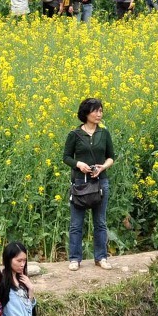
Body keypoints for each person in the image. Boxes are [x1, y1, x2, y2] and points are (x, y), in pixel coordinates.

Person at [63, 98, 114, 270]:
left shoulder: (104, 133)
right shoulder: (75, 134)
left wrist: (103, 167)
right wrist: (79, 164)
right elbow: (66, 157)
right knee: (76, 223)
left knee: (100, 222)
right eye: (96, 111)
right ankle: (74, 259)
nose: (99, 114)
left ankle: (101, 257)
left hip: (101, 182)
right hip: (80, 183)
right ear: (86, 113)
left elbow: (111, 157)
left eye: (101, 110)